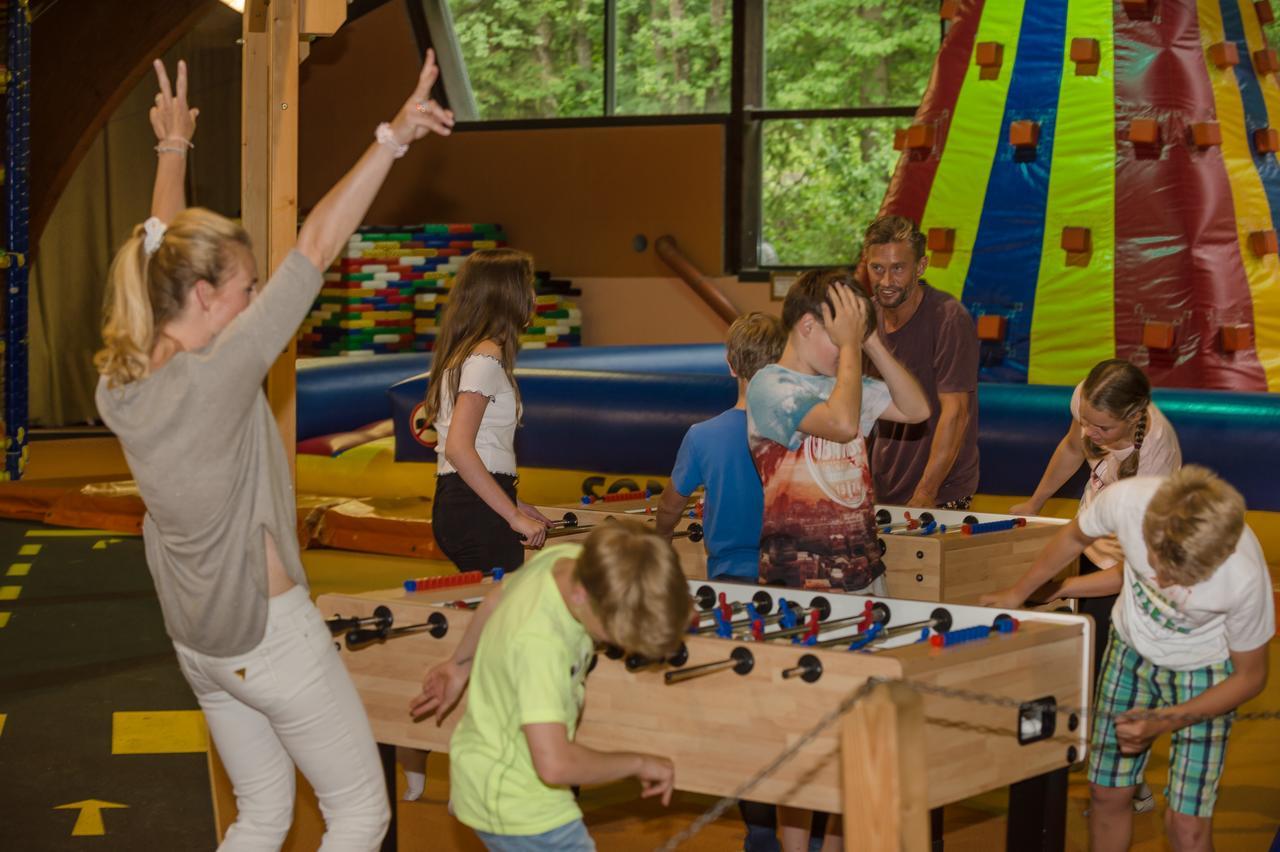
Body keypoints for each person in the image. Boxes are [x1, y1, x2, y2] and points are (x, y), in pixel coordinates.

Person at [94, 55, 453, 849]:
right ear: (206, 299)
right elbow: (318, 242)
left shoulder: (118, 382)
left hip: (198, 644)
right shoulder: (220, 373)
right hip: (269, 635)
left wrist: (172, 152)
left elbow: (162, 250)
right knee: (361, 814)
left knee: (262, 817)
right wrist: (391, 138)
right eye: (248, 288)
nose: (258, 300)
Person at [981, 468, 1272, 852]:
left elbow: (1251, 677)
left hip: (1205, 669)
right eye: (1160, 569)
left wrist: (1162, 721)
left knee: (1186, 823)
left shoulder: (1244, 575)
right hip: (1130, 651)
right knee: (1106, 793)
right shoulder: (1127, 502)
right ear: (1147, 530)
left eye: (1186, 580)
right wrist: (1025, 591)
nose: (1166, 585)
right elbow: (1074, 537)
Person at [745, 269, 929, 852]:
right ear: (806, 326)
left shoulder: (849, 375)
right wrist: (852, 347)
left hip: (864, 580)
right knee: (807, 737)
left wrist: (866, 337)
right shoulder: (771, 386)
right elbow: (844, 423)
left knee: (864, 738)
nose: (846, 347)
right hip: (799, 589)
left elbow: (917, 408)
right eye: (837, 334)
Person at [408, 522, 692, 851]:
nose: (614, 642)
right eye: (610, 633)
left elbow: (497, 597)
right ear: (581, 595)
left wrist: (460, 665)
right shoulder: (543, 646)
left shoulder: (568, 560)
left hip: (490, 778)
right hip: (520, 806)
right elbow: (555, 764)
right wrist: (640, 763)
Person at [403, 248, 554, 801]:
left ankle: (421, 741)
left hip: (469, 502)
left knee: (484, 633)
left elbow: (480, 452)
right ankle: (442, 747)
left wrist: (518, 504)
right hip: (471, 505)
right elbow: (462, 447)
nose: (536, 299)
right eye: (529, 287)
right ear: (508, 295)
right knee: (495, 643)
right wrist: (510, 513)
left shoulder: (468, 354)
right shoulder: (486, 356)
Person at [654, 311, 785, 579]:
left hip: (730, 576)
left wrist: (663, 536)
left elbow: (670, 506)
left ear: (730, 365)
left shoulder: (702, 436)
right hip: (791, 572)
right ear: (784, 365)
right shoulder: (801, 430)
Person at [861, 215, 979, 510]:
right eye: (877, 268)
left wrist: (926, 492)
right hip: (883, 486)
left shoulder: (948, 318)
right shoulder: (865, 318)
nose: (886, 281)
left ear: (921, 266)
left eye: (898, 268)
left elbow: (956, 413)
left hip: (940, 491)